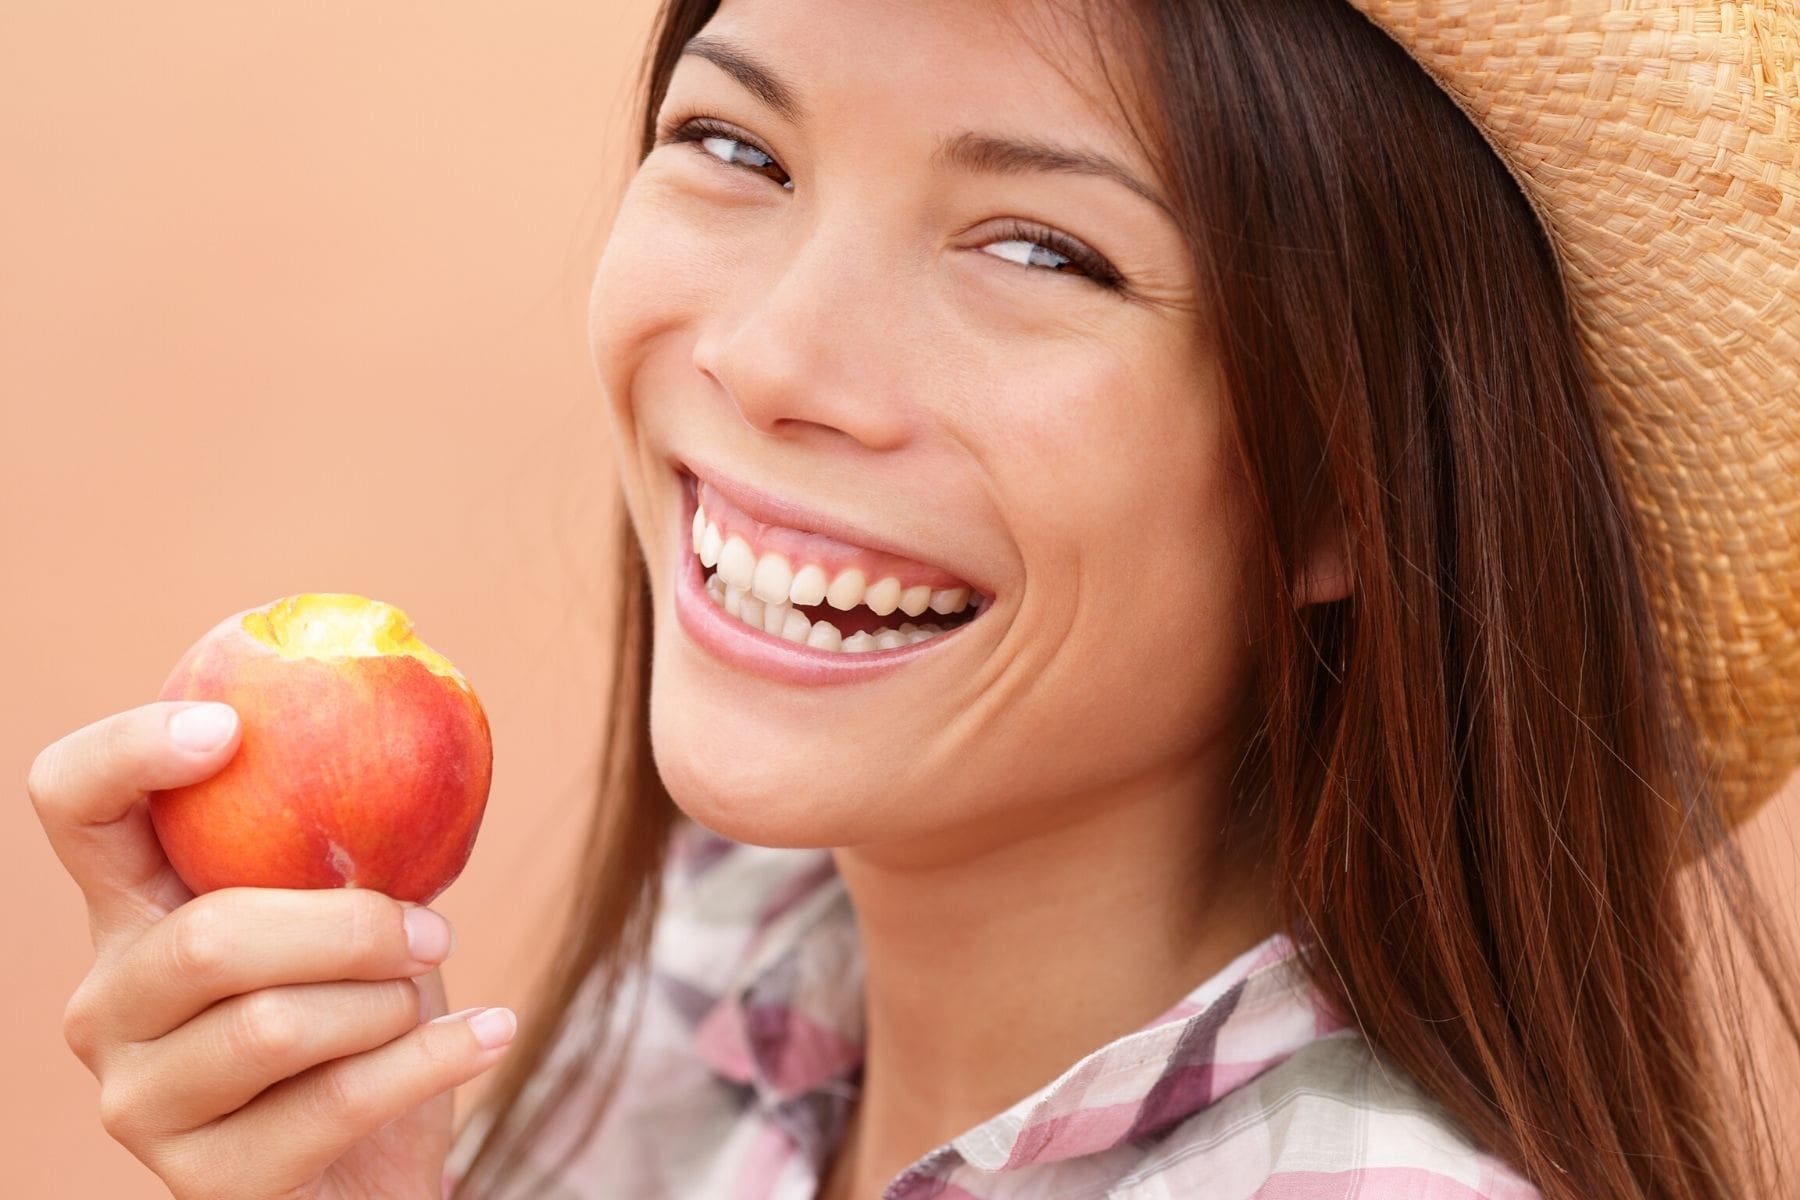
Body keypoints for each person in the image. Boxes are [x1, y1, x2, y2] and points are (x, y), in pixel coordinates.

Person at [28, 1, 1800, 1197]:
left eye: (1042, 249)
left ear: (1351, 483)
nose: (773, 353)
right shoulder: (712, 964)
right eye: (737, 148)